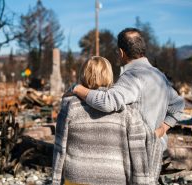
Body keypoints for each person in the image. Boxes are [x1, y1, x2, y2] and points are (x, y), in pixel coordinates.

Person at [52, 56, 160, 185]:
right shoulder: (127, 110)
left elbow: (60, 147)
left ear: (83, 75)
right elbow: (138, 153)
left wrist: (56, 180)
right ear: (109, 75)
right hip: (115, 178)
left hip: (76, 177)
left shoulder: (70, 106)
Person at [72, 28, 185, 149]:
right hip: (158, 149)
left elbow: (107, 102)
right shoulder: (159, 75)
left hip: (140, 154)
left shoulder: (133, 76)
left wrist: (77, 88)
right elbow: (178, 105)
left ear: (121, 52)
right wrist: (162, 129)